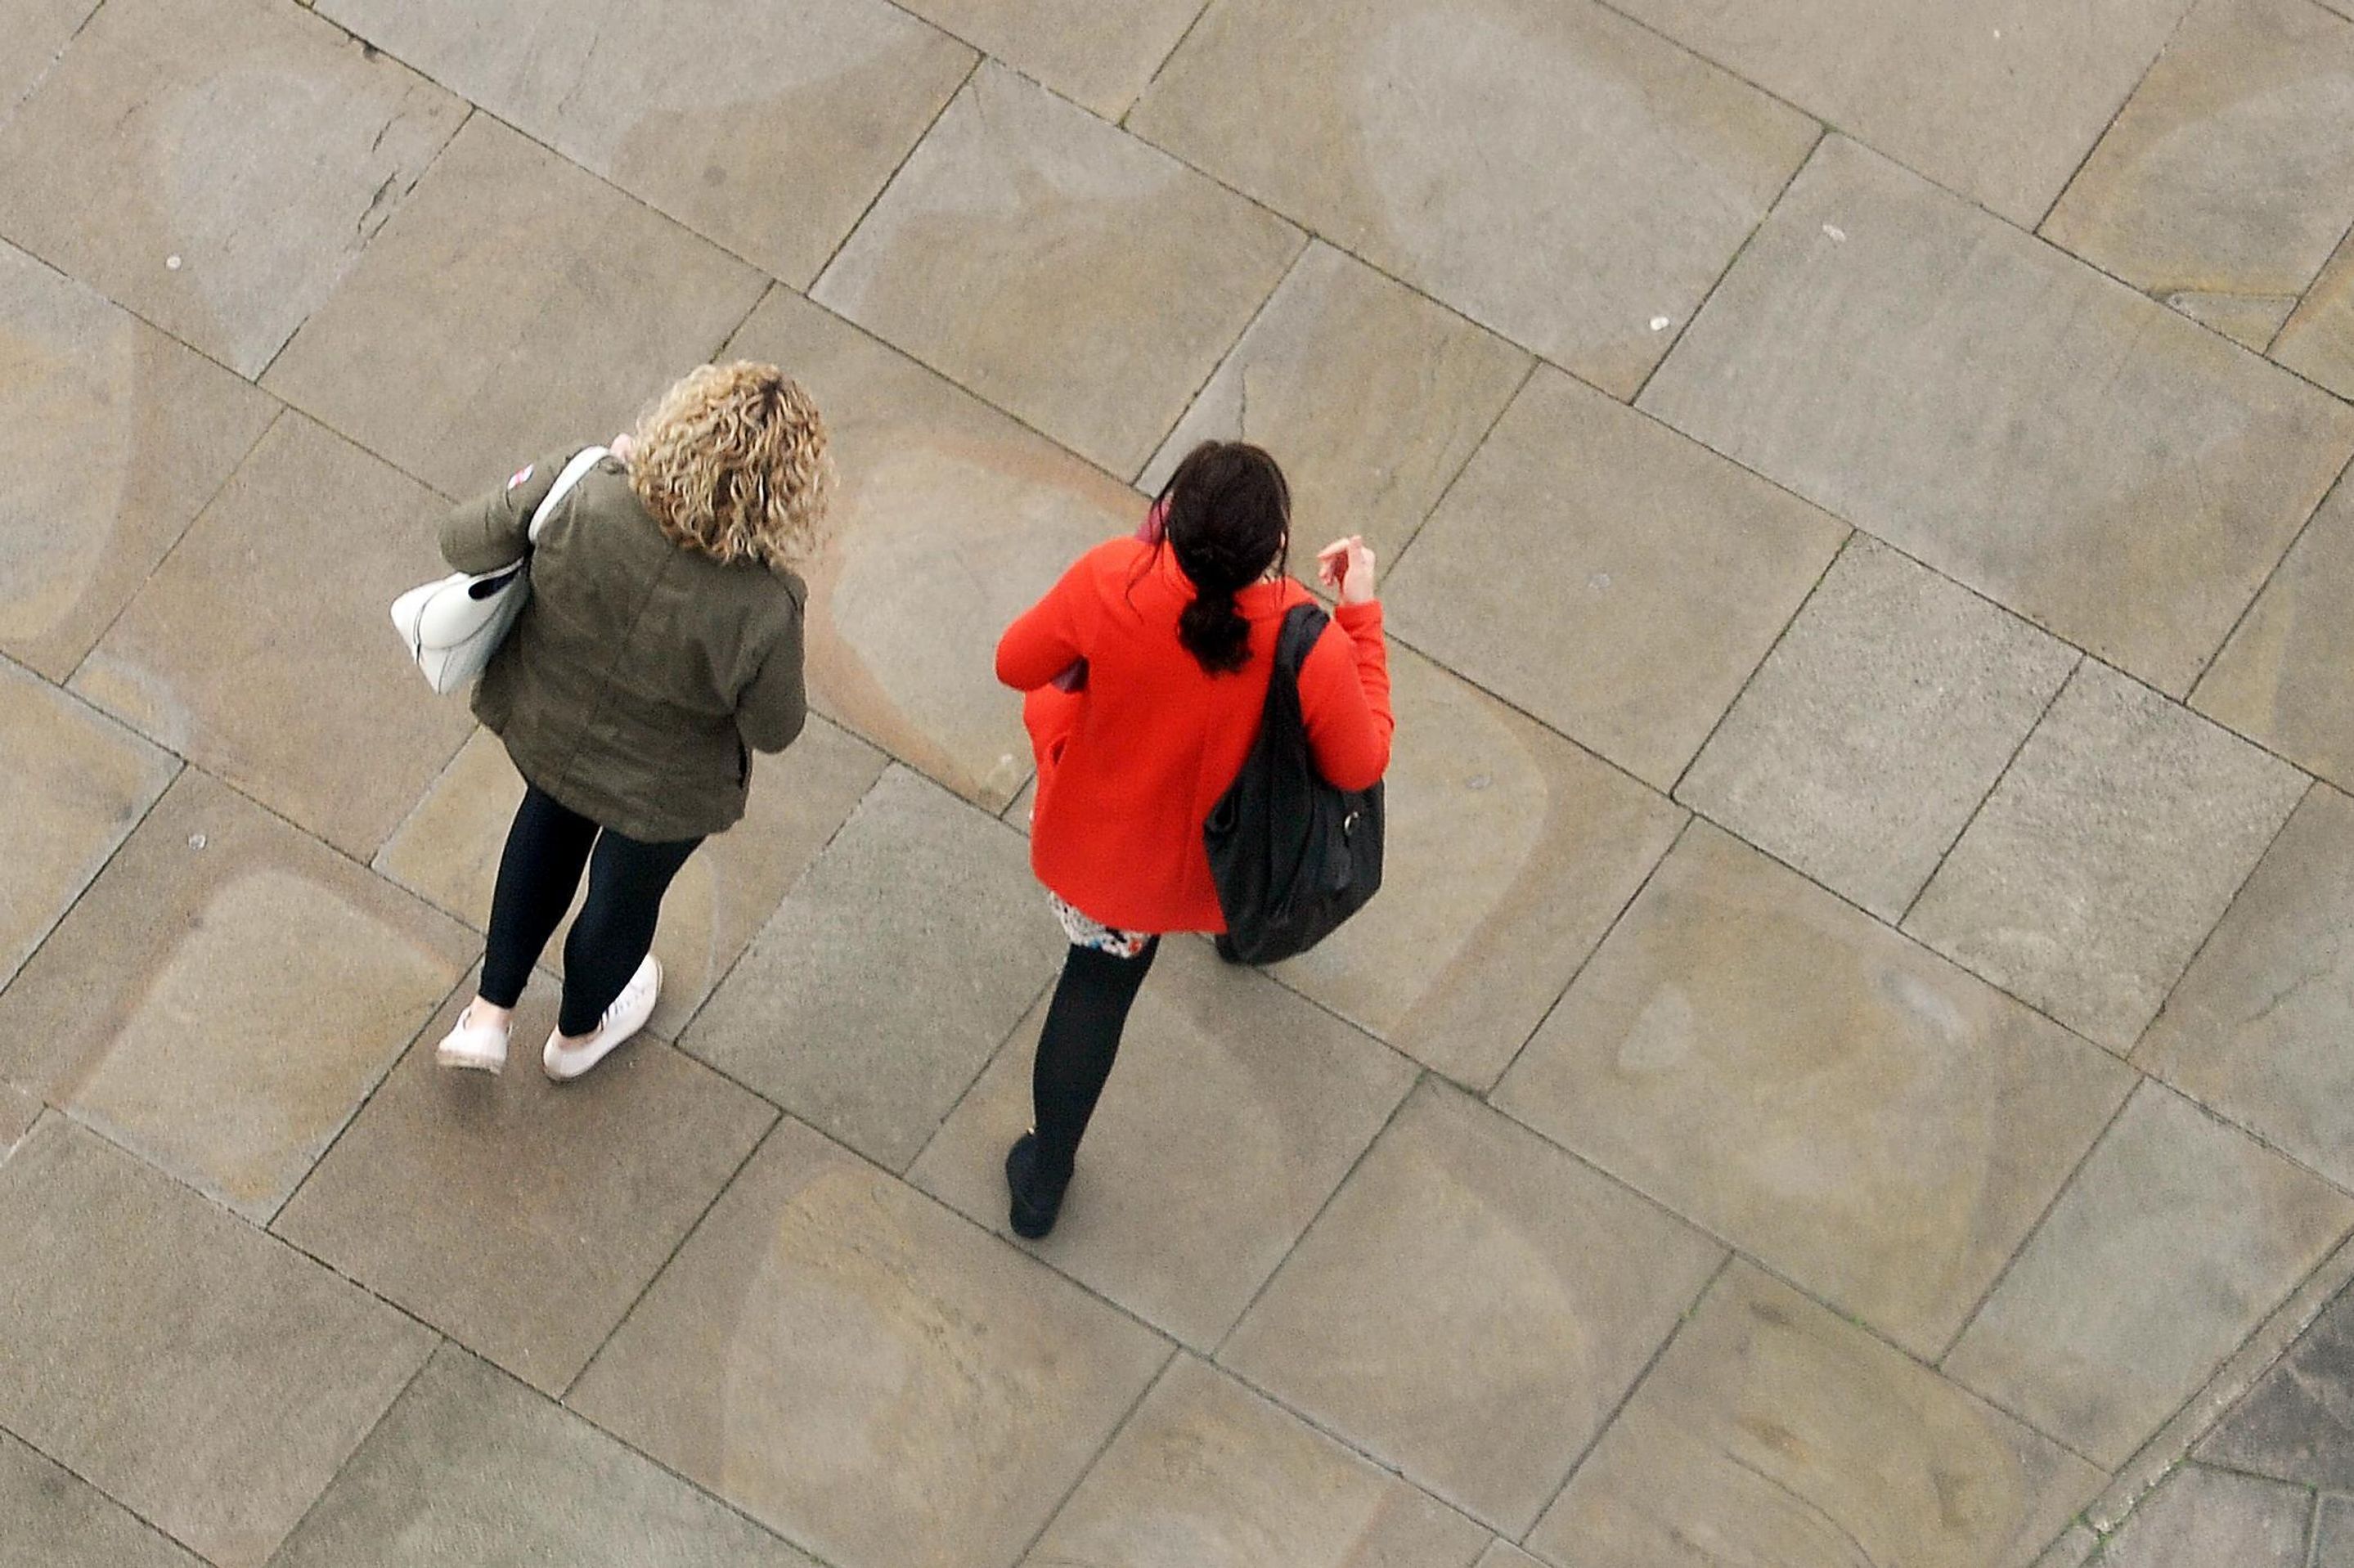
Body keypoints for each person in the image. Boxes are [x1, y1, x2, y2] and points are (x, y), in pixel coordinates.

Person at [993, 441, 1394, 1238]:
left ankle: (1043, 1183)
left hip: (1119, 863)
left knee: (1096, 989)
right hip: (1239, 864)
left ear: (1172, 520)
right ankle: (1242, 940)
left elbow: (1016, 662)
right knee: (1226, 911)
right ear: (1271, 549)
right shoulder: (1304, 639)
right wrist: (1361, 619)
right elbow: (1361, 757)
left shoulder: (1113, 577)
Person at [432, 362, 834, 1081]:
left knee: (546, 825)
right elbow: (776, 728)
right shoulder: (768, 606)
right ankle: (577, 1037)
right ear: (788, 495)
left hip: (553, 727)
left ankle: (490, 1016)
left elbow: (463, 540)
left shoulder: (585, 488)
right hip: (665, 793)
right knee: (623, 895)